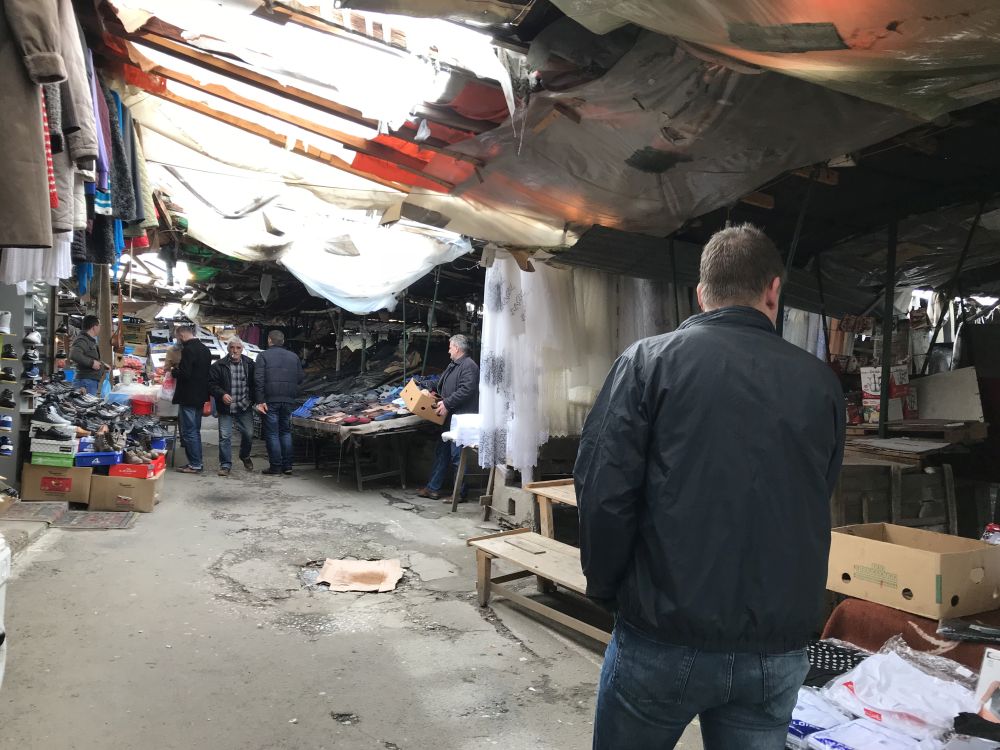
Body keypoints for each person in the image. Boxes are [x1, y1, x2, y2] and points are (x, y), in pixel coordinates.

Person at [576, 224, 845, 750]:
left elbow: (603, 493)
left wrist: (607, 589)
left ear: (701, 294)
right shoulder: (820, 384)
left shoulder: (647, 363)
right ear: (773, 290)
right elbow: (818, 493)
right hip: (775, 645)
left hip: (663, 634)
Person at [418, 334, 479, 501]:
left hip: (460, 419)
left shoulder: (469, 366)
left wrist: (447, 403)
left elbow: (466, 389)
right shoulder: (454, 365)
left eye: (450, 347)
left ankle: (460, 493)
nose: (448, 350)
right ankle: (433, 488)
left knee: (457, 456)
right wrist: (427, 387)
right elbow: (441, 382)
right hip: (449, 417)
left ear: (457, 348)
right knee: (442, 453)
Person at [254, 330, 303, 476]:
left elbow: (258, 379)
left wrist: (260, 400)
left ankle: (275, 467)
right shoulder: (294, 357)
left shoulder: (263, 356)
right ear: (283, 341)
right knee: (285, 432)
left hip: (270, 400)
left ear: (269, 340)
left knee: (272, 434)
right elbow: (300, 378)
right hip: (288, 400)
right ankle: (287, 466)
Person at [209, 337, 256, 477]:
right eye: (232, 347)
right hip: (226, 407)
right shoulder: (218, 365)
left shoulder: (250, 364)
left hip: (244, 405)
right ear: (227, 348)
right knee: (224, 436)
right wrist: (222, 394)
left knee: (249, 434)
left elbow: (255, 384)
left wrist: (254, 399)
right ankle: (225, 465)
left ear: (242, 349)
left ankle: (245, 455)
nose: (235, 350)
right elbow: (211, 384)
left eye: (238, 348)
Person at [172, 325, 212, 474]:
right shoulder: (205, 349)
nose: (178, 340)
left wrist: (174, 371)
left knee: (189, 431)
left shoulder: (188, 349)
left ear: (182, 335)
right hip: (200, 395)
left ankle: (195, 464)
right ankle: (197, 462)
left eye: (177, 337)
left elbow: (185, 373)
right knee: (195, 430)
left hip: (188, 396)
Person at [69, 315, 108, 396]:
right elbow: (74, 354)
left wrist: (102, 365)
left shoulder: (89, 340)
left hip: (89, 382)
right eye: (99, 325)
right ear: (94, 327)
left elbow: (90, 357)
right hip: (85, 382)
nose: (100, 328)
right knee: (83, 404)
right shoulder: (82, 339)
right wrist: (91, 363)